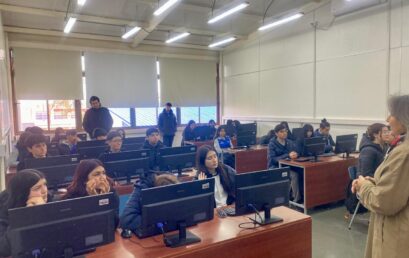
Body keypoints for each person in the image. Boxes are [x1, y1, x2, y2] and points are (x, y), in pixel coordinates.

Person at [352, 95, 409, 258]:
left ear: (404, 118)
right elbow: (399, 185)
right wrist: (374, 182)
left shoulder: (404, 154)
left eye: (392, 114)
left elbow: (384, 201)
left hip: (396, 237)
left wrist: (364, 185)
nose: (387, 119)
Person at [0, 169, 49, 257]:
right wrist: (26, 215)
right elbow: (3, 249)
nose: (44, 191)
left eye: (45, 185)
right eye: (37, 188)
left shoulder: (51, 201)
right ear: (23, 193)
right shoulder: (4, 212)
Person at [345, 123, 388, 215]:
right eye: (384, 132)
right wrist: (382, 179)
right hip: (367, 184)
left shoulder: (383, 147)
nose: (387, 134)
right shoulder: (368, 151)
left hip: (377, 182)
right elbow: (365, 175)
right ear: (376, 134)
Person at [62, 159, 119, 227]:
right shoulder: (72, 197)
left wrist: (104, 199)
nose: (103, 177)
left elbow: (114, 224)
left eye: (103, 173)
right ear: (85, 179)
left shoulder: (111, 193)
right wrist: (93, 201)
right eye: (97, 174)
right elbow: (80, 226)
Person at [268, 123, 301, 203]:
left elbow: (297, 151)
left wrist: (296, 154)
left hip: (287, 166)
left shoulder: (289, 142)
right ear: (276, 133)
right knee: (294, 175)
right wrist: (288, 155)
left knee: (301, 172)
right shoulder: (272, 144)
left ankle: (294, 195)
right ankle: (296, 199)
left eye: (286, 131)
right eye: (282, 131)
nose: (285, 133)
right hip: (275, 167)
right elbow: (273, 160)